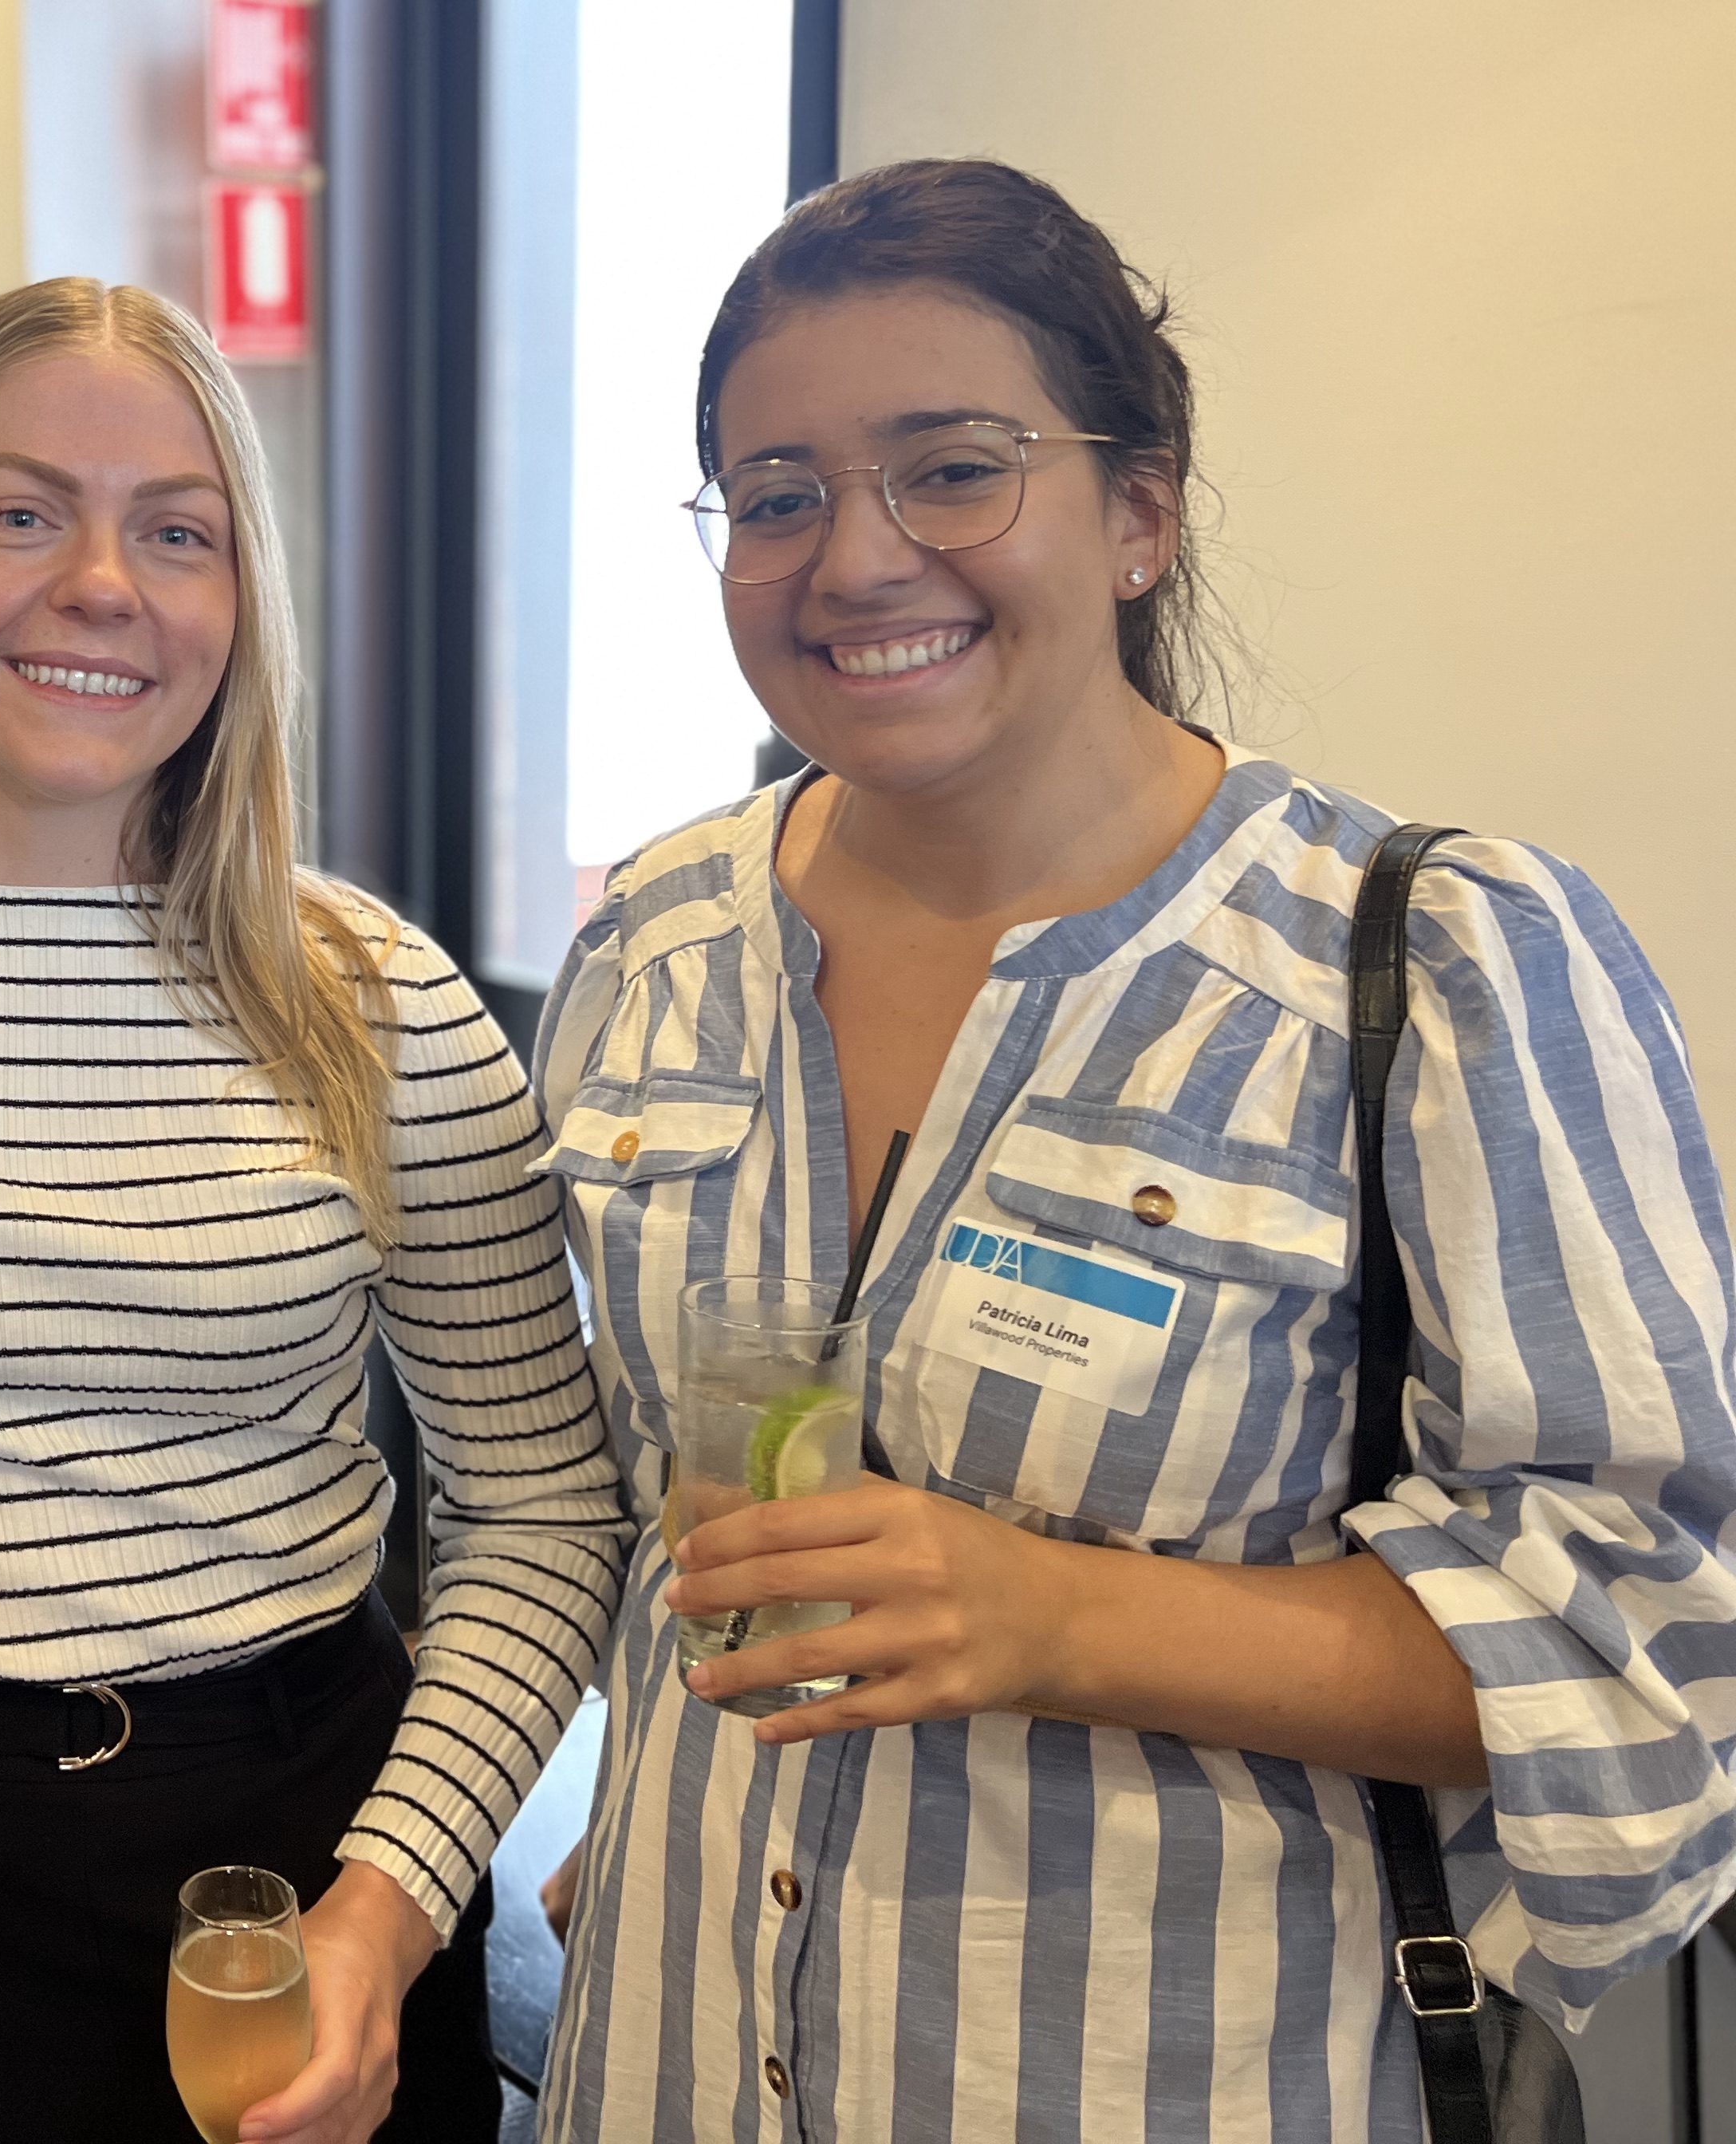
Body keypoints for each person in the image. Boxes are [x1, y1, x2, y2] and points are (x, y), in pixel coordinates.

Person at [532, 158, 1736, 2141]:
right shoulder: (657, 942)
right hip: (667, 2061)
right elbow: (613, 1501)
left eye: (953, 468)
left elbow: (1652, 1646)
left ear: (1141, 510)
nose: (857, 559)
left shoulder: (1430, 966)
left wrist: (1057, 1616)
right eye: (778, 495)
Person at [0, 277, 631, 2144]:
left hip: (306, 1850)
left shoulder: (368, 992)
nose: (103, 582)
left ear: (243, 600)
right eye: (22, 514)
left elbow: (544, 1507)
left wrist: (386, 1916)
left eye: (178, 530)